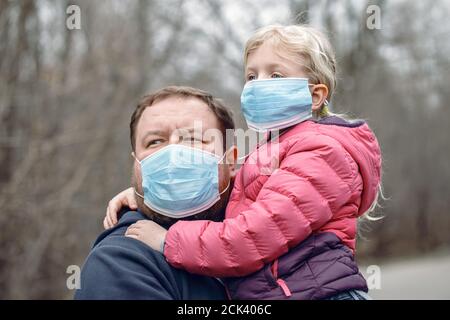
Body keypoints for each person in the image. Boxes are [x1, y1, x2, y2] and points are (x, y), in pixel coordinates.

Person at [105, 24, 382, 300]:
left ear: (314, 95)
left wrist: (168, 240)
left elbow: (252, 237)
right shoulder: (276, 148)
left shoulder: (321, 151)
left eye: (274, 75)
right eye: (251, 75)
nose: (258, 84)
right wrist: (148, 189)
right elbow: (235, 189)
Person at [75, 86, 237, 299]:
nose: (173, 155)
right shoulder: (121, 261)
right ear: (137, 164)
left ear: (231, 161)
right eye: (155, 142)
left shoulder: (266, 230)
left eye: (193, 138)